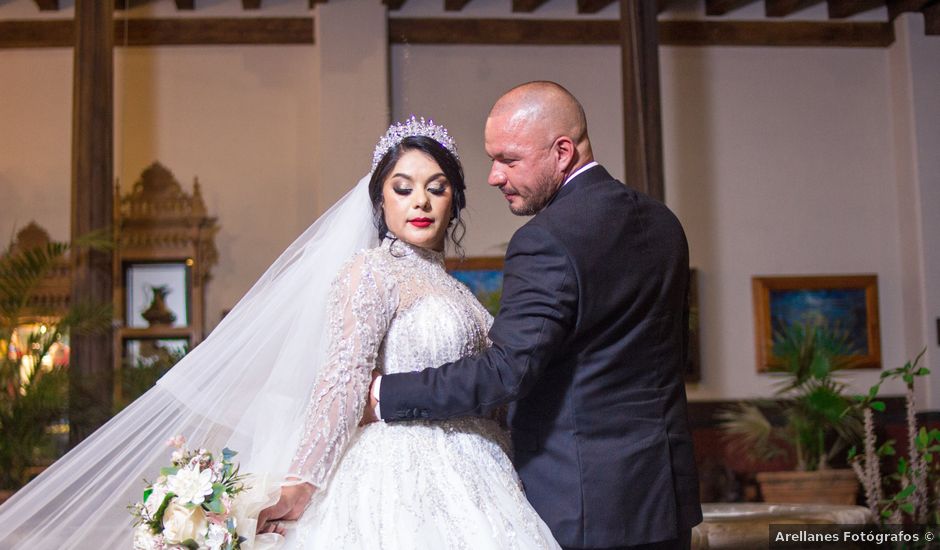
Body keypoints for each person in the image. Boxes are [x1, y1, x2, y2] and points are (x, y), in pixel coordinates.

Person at [0, 117, 559, 550]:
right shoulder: (370, 273)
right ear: (380, 199)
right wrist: (302, 481)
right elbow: (342, 380)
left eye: (437, 188)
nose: (420, 201)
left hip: (480, 469)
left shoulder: (457, 292)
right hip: (397, 467)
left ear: (454, 201)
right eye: (403, 187)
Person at [365, 82, 703, 550]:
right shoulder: (664, 223)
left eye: (508, 159)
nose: (493, 176)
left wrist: (386, 392)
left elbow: (506, 371)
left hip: (584, 506)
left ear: (562, 152)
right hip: (667, 500)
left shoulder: (546, 239)